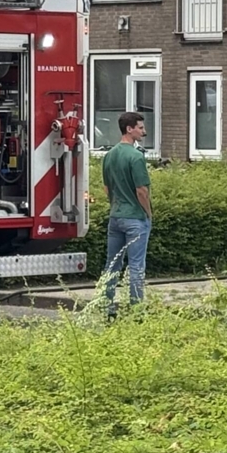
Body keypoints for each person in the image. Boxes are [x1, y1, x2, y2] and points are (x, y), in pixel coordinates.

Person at [101, 111, 153, 319]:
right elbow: (142, 191)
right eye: (140, 128)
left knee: (112, 264)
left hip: (116, 216)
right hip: (135, 218)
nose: (144, 131)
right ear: (129, 129)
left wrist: (115, 205)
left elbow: (106, 188)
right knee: (136, 266)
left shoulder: (109, 155)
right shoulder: (136, 156)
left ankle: (107, 305)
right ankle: (137, 310)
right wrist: (147, 213)